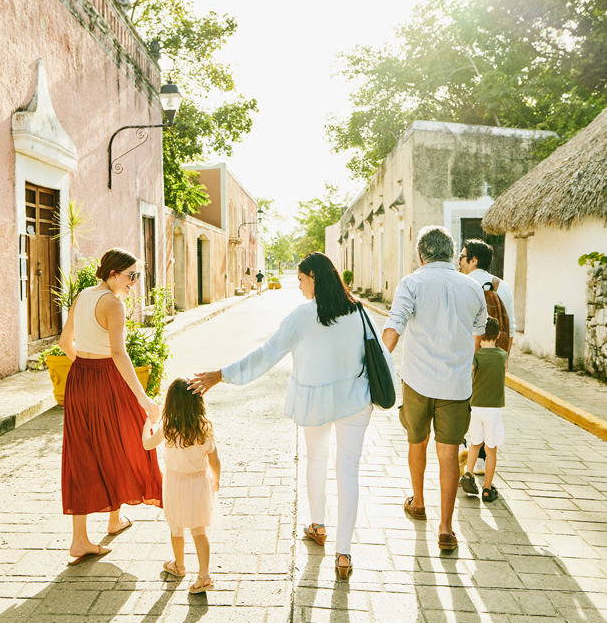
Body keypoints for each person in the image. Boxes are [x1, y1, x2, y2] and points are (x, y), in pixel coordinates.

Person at [188, 252, 395, 579]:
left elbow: (265, 355)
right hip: (356, 401)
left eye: (300, 279)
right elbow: (382, 354)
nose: (298, 286)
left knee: (316, 460)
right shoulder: (358, 311)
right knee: (348, 471)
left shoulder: (301, 317)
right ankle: (344, 553)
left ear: (314, 277)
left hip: (316, 402)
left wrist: (222, 374)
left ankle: (318, 526)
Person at [382, 226, 487, 551]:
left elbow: (394, 326)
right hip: (456, 385)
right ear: (452, 254)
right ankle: (445, 528)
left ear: (420, 255)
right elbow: (478, 335)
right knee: (448, 453)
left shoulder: (411, 283)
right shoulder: (473, 287)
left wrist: (375, 366)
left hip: (418, 381)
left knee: (417, 442)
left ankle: (418, 503)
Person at [58, 247, 163, 565]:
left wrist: (85, 367)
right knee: (124, 442)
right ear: (113, 274)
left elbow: (64, 343)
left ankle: (82, 538)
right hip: (107, 379)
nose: (135, 282)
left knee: (82, 453)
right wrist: (143, 397)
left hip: (79, 380)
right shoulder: (113, 304)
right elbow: (119, 353)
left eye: (137, 275)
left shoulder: (83, 296)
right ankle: (112, 520)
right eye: (131, 275)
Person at [142, 378, 222, 593]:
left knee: (176, 527)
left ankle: (179, 565)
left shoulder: (168, 428)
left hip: (175, 484)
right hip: (198, 484)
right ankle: (204, 576)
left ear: (171, 403)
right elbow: (214, 462)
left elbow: (147, 444)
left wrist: (149, 423)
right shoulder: (205, 428)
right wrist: (216, 479)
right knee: (199, 531)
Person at [458, 239, 516, 474]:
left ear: (473, 260)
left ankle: (461, 446)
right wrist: (505, 357)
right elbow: (511, 325)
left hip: (465, 354)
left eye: (462, 257)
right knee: (487, 404)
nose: (459, 261)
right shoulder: (503, 286)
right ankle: (482, 458)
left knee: (462, 400)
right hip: (494, 354)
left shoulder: (461, 283)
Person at [460, 317, 507, 502]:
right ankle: (487, 488)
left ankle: (469, 473)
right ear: (498, 335)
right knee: (491, 448)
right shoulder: (503, 355)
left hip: (476, 406)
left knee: (475, 443)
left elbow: (469, 370)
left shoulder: (476, 356)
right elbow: (504, 369)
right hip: (493, 409)